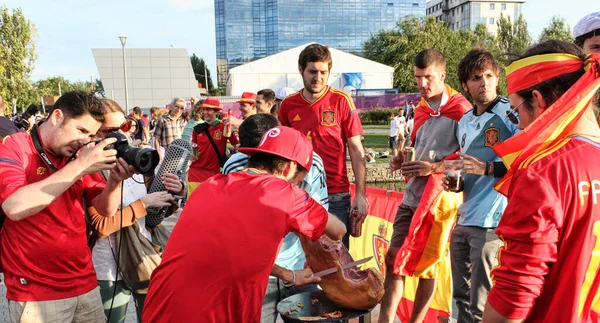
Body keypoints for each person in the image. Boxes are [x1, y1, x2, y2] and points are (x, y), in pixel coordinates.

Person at [142, 126, 346, 323]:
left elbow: (238, 255)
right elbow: (338, 231)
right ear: (291, 167)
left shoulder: (209, 185)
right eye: (300, 178)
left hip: (159, 306)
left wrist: (289, 275)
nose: (298, 184)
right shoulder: (285, 194)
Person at [481, 41, 600, 322]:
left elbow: (513, 299)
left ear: (538, 98)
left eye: (516, 111)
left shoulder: (543, 173)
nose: (519, 125)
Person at [0, 91, 136, 322]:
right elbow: (14, 207)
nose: (85, 140)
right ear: (57, 116)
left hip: (85, 283)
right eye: (81, 130)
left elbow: (106, 210)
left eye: (91, 134)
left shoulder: (78, 155)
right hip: (36, 292)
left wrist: (114, 180)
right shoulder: (15, 147)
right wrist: (81, 166)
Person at [379, 49, 472, 323]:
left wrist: (433, 168)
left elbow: (470, 159)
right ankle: (385, 320)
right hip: (412, 196)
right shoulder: (420, 108)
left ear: (442, 75)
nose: (422, 84)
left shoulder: (462, 110)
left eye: (428, 77)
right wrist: (401, 158)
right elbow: (419, 147)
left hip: (440, 202)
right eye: (418, 77)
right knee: (393, 259)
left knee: (427, 267)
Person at [221, 114, 328, 323]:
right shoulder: (234, 167)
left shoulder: (312, 163)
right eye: (256, 158)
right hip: (256, 275)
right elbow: (239, 242)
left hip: (300, 265)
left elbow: (322, 225)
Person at [88, 99, 182, 323]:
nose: (120, 136)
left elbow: (151, 217)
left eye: (124, 127)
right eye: (110, 131)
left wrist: (172, 193)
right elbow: (100, 226)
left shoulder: (135, 159)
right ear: (94, 133)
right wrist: (144, 203)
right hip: (108, 269)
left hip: (143, 258)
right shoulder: (88, 167)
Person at [445, 49, 519, 323]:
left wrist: (489, 168)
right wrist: (458, 183)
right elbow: (470, 168)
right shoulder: (464, 121)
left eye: (489, 76)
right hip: (464, 218)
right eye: (476, 78)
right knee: (461, 300)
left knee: (481, 304)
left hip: (492, 223)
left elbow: (527, 159)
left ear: (498, 78)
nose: (484, 83)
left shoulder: (510, 112)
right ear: (465, 85)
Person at [278, 43, 368, 248]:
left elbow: (356, 149)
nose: (317, 78)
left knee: (336, 261)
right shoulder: (289, 105)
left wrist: (361, 194)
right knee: (302, 258)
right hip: (300, 192)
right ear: (301, 70)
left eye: (323, 72)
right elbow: (282, 151)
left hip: (336, 194)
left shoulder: (342, 100)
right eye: (312, 71)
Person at [188, 97, 239, 194]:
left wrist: (232, 154)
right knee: (196, 202)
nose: (205, 112)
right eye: (204, 109)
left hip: (214, 172)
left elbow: (236, 144)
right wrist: (192, 154)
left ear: (217, 112)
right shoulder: (197, 129)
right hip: (196, 171)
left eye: (208, 109)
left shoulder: (224, 126)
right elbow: (194, 147)